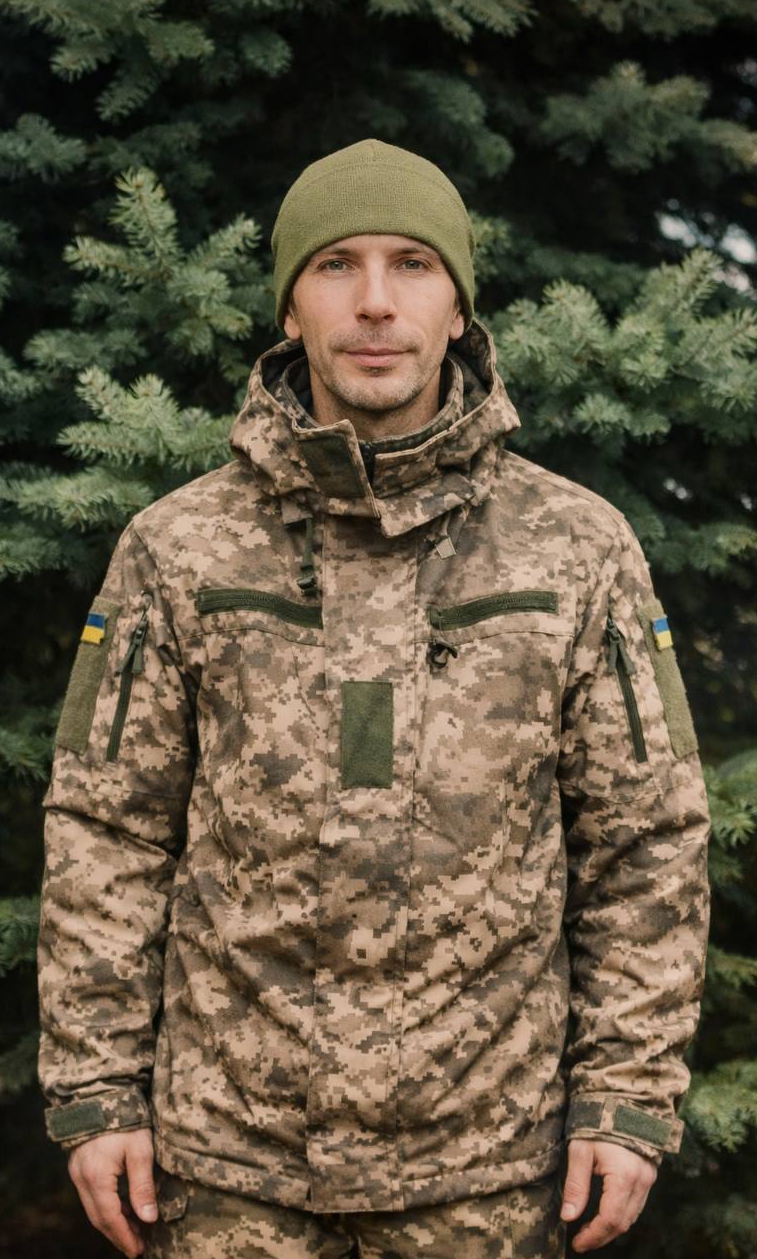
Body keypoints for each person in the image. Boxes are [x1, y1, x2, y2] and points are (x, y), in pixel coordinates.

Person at [37, 138, 711, 1259]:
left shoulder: (577, 545)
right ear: (290, 308)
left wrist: (627, 1097)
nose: (375, 303)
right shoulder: (178, 546)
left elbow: (645, 837)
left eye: (412, 264)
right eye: (336, 265)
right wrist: (98, 1089)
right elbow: (107, 829)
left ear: (457, 305)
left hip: (488, 1167)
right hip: (230, 1169)